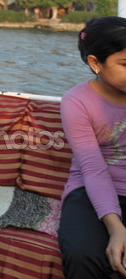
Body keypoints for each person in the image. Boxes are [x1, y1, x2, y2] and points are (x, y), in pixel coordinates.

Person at [59, 16, 126, 277]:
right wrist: (116, 228)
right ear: (96, 63)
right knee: (81, 254)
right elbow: (93, 168)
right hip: (90, 190)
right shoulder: (77, 102)